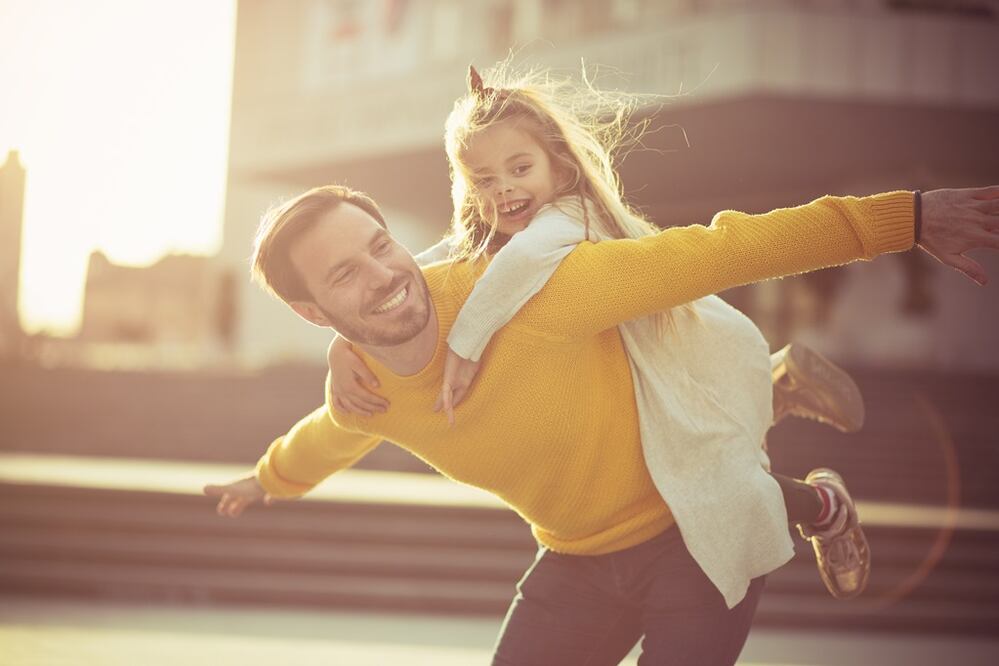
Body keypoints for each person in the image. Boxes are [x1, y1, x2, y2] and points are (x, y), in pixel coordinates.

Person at [204, 99, 998, 666]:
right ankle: (775, 400)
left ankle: (793, 449)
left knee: (718, 453)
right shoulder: (364, 388)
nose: (384, 275)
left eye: (380, 245)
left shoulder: (542, 291)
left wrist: (908, 218)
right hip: (577, 559)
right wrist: (266, 478)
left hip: (694, 527)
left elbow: (728, 249)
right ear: (313, 315)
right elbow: (328, 435)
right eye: (344, 274)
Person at [327, 65, 872, 603]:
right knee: (694, 468)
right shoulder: (491, 233)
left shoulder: (569, 216)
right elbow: (418, 270)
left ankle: (827, 506)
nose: (505, 188)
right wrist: (345, 341)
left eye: (520, 168)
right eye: (484, 180)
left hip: (679, 357)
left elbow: (522, 261)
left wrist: (465, 345)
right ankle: (778, 383)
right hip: (643, 377)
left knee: (713, 481)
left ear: (559, 167)